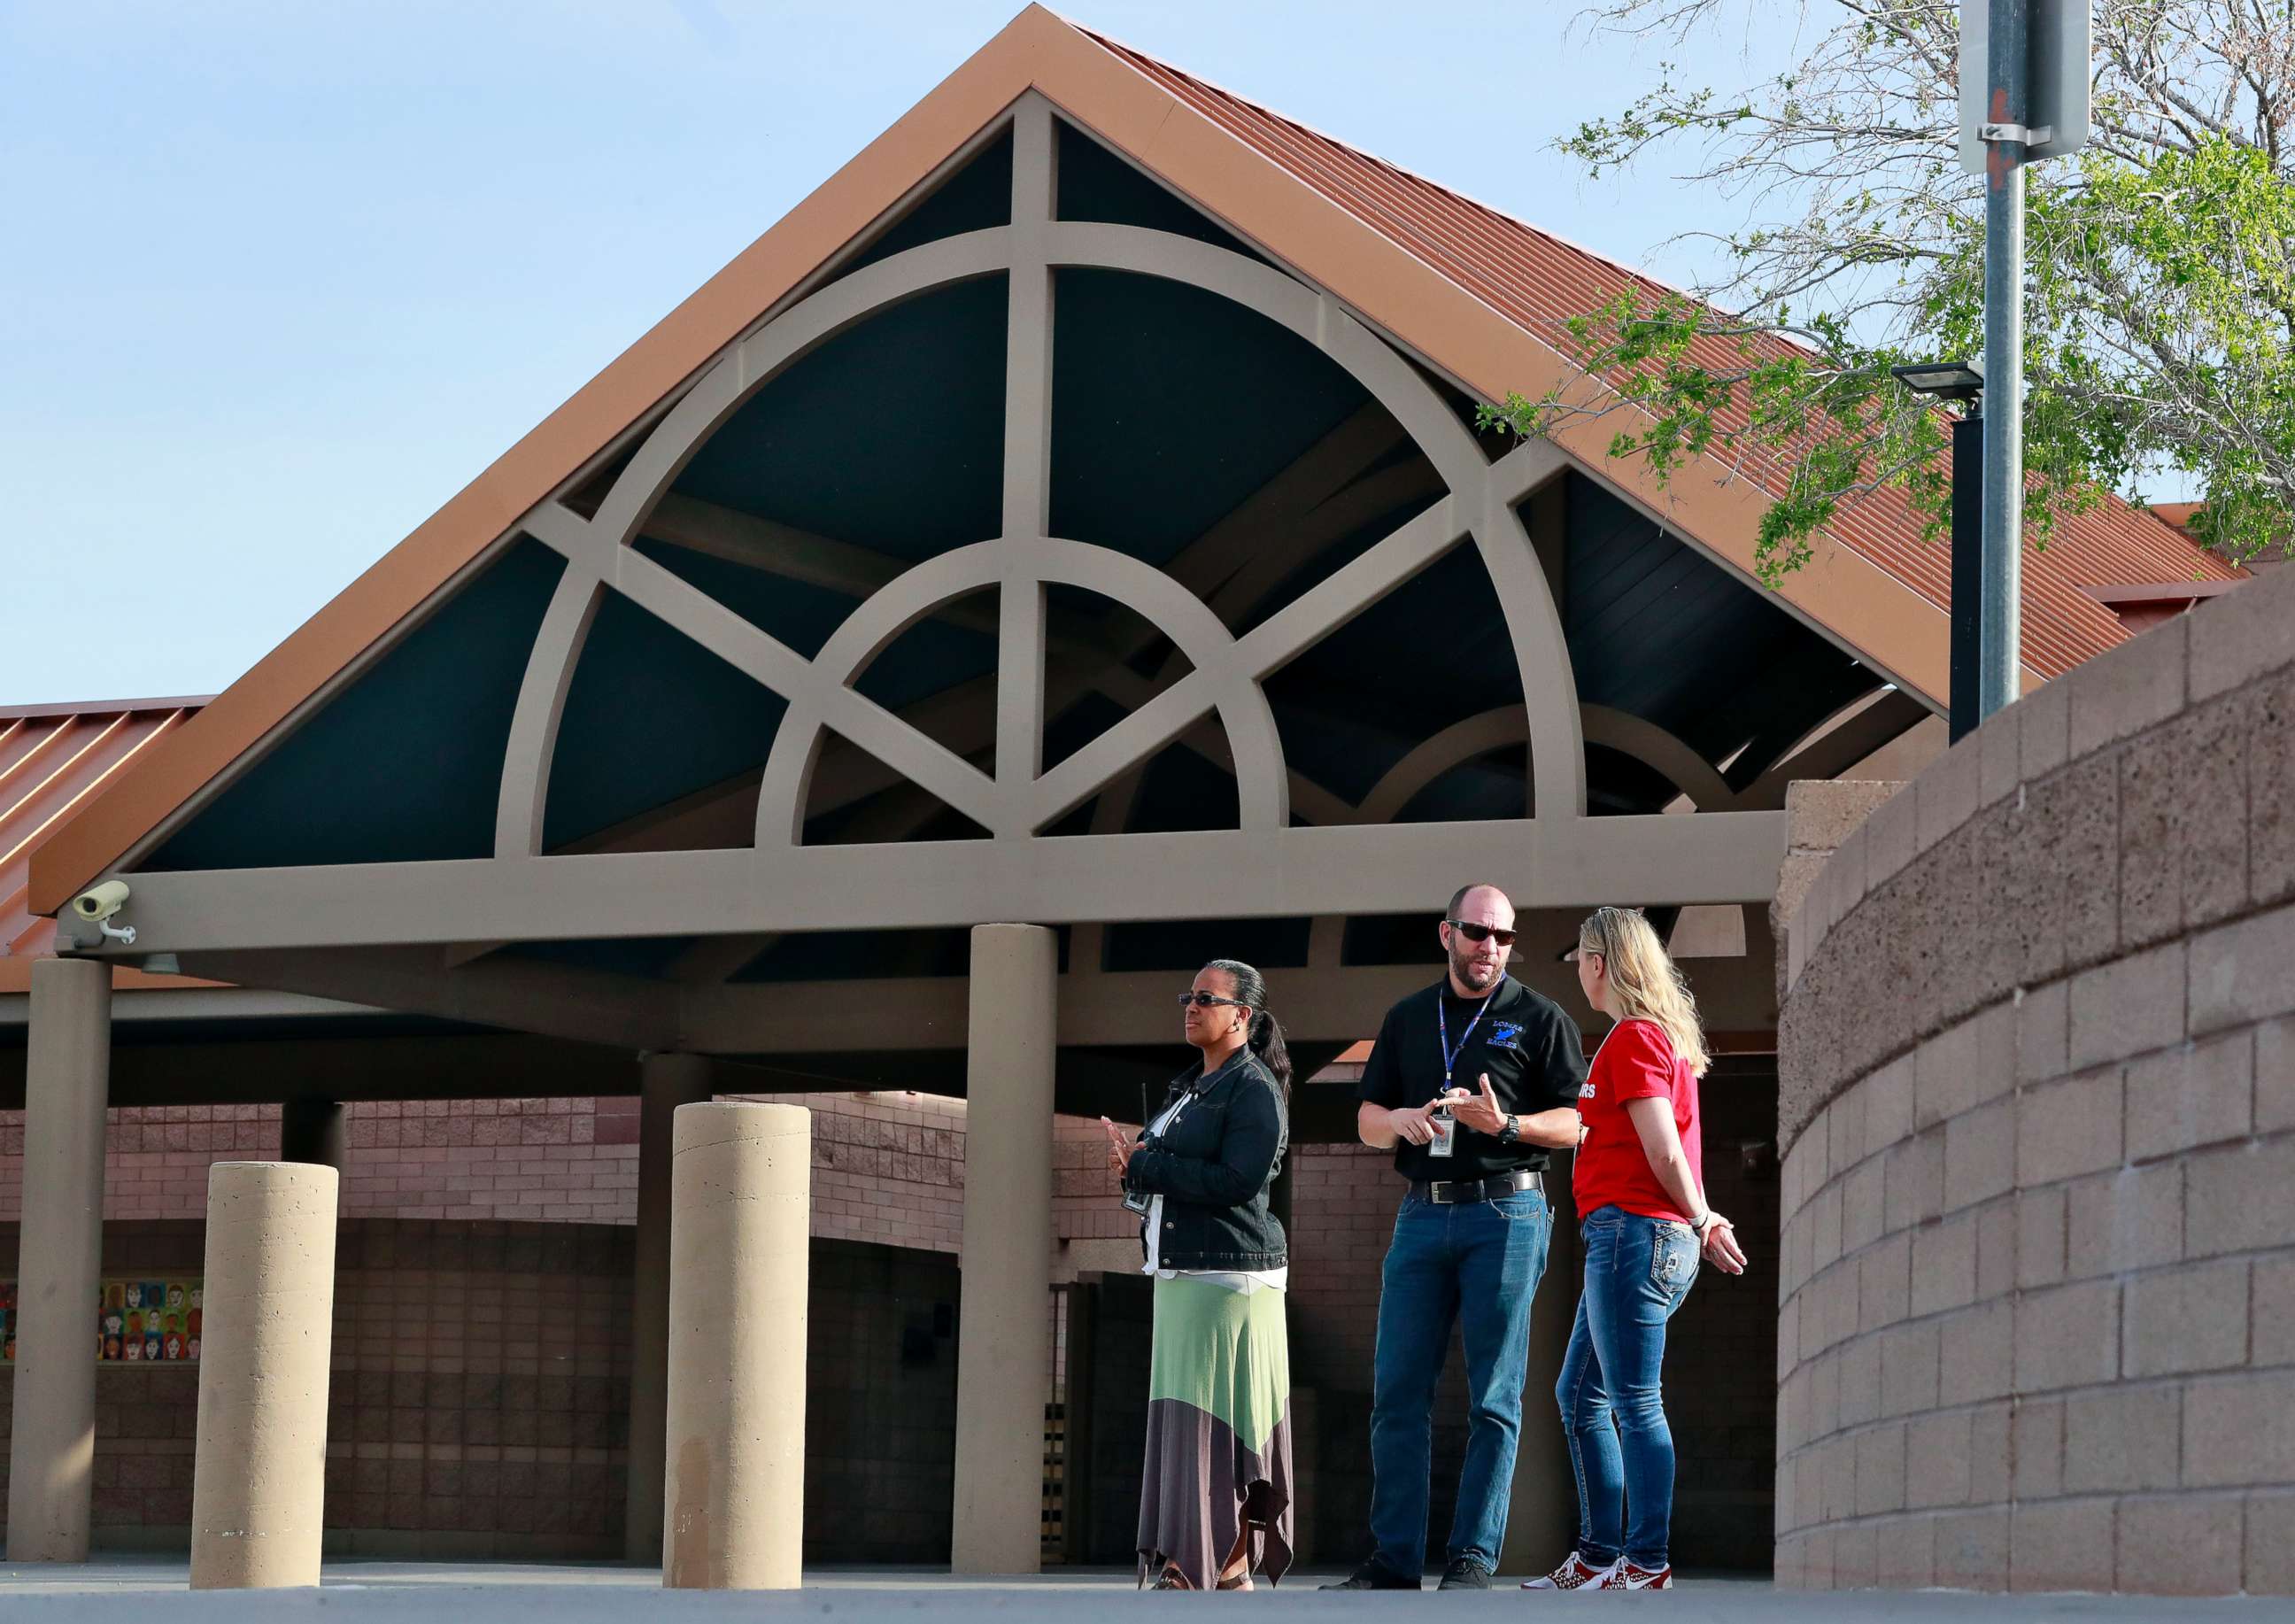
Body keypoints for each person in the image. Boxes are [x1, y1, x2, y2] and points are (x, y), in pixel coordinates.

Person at [1323, 883, 1586, 1591]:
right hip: (1422, 1212)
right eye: (1476, 933)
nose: (1489, 949)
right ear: (1446, 935)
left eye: (1502, 937)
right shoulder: (1409, 1017)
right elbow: (1366, 1118)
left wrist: (1504, 1126)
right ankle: (1394, 1558)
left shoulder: (1539, 1017)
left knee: (1494, 1396)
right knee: (1398, 1390)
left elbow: (1575, 1124)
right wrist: (1402, 1119)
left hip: (1506, 1214)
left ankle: (1472, 1557)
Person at [1524, 906, 1749, 1594]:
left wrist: (1704, 1217)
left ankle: (1646, 1563)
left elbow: (1663, 1148)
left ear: (1601, 963)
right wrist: (1701, 1220)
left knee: (1633, 1402)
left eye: (1582, 960)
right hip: (1631, 1235)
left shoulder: (1634, 1038)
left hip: (1634, 1235)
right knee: (1582, 1394)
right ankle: (1599, 1557)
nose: (1580, 974)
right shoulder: (1647, 1039)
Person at [1101, 957, 1294, 1591]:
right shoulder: (1192, 1085)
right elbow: (1170, 1173)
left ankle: (1211, 1560)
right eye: (1189, 996)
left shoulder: (1252, 1088)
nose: (1192, 1006)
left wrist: (1150, 1167)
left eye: (1207, 999)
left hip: (1230, 1281)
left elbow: (1240, 1181)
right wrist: (1138, 1164)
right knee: (1192, 1425)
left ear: (1242, 1016)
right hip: (1183, 1273)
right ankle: (1216, 1562)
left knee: (1220, 1428)